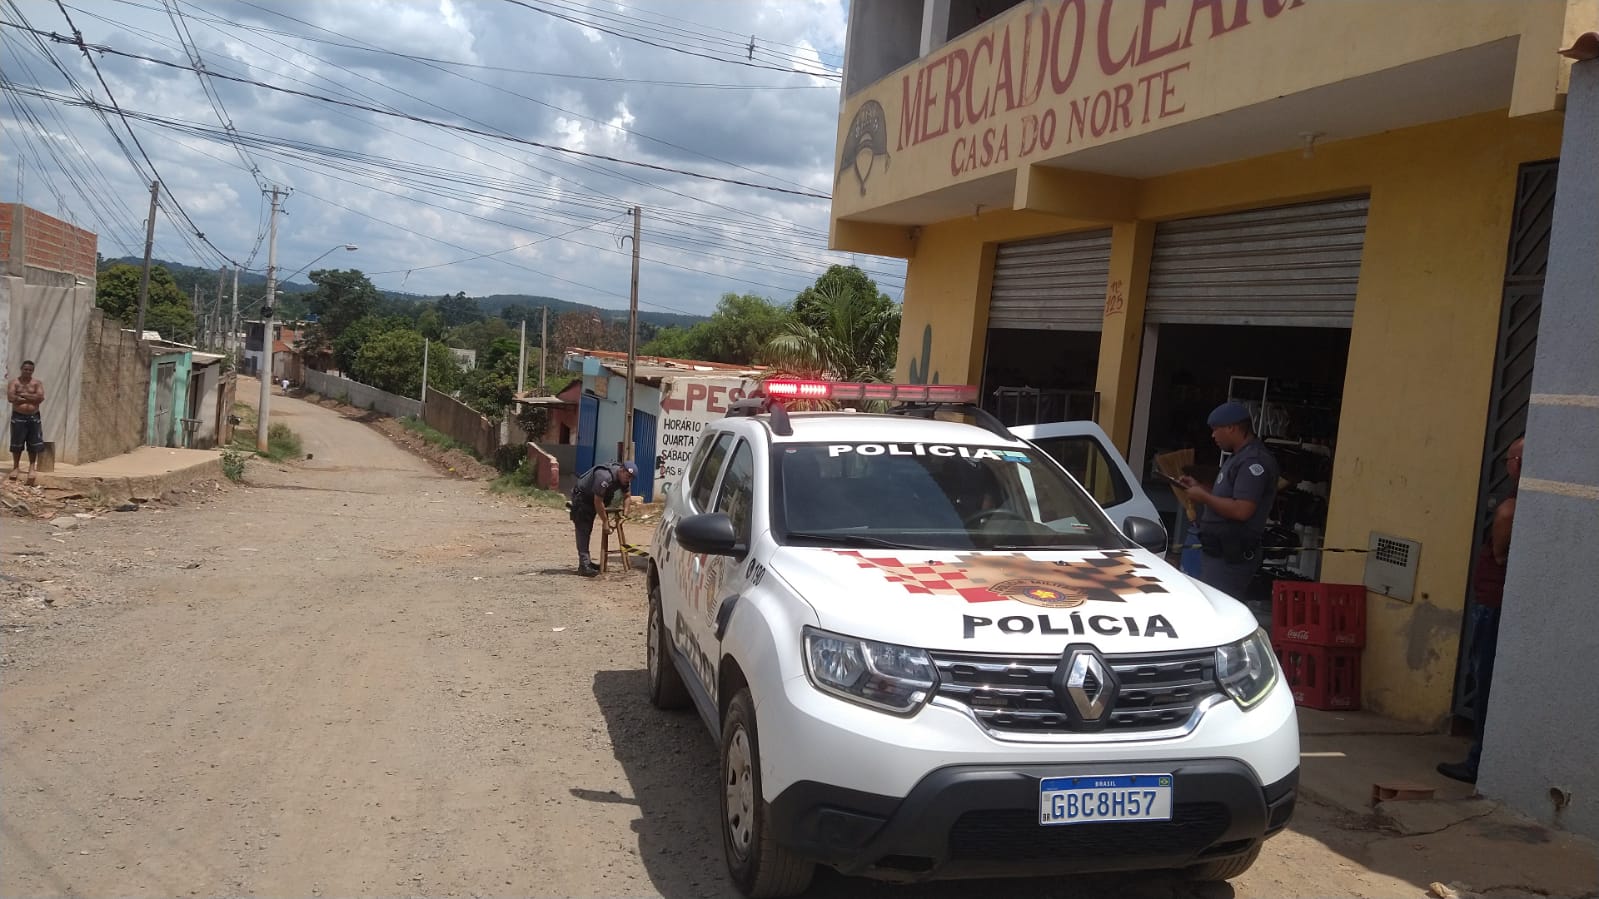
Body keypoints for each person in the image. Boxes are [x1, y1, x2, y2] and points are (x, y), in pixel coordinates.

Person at [1439, 437, 1523, 785]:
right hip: (1499, 603)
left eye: (1509, 459)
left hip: (1493, 605)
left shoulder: (1511, 507)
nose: (1506, 465)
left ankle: (1479, 761)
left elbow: (1501, 545)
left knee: (1485, 679)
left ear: (1517, 463)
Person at [1179, 402, 1280, 598]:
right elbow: (1226, 498)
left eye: (1216, 429)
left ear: (1231, 428)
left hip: (1230, 555)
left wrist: (1204, 497)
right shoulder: (1237, 457)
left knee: (1218, 606)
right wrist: (1199, 488)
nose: (1213, 435)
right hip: (1216, 552)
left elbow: (1242, 510)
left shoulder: (1253, 461)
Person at [570, 460, 636, 576]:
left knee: (587, 529)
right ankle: (584, 565)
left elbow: (627, 496)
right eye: (628, 476)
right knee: (584, 529)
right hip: (583, 498)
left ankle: (587, 563)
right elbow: (598, 501)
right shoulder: (604, 476)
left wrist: (625, 515)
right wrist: (605, 521)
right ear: (621, 470)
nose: (629, 480)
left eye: (631, 478)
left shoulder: (624, 479)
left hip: (596, 498)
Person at [7, 360, 47, 486]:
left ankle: (31, 468)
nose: (28, 372)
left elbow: (40, 398)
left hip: (33, 417)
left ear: (32, 371)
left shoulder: (36, 383)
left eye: (30, 370)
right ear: (21, 369)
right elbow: (11, 398)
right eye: (25, 369)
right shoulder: (14, 383)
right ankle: (15, 467)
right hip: (18, 416)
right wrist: (30, 397)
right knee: (17, 442)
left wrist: (22, 395)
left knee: (33, 443)